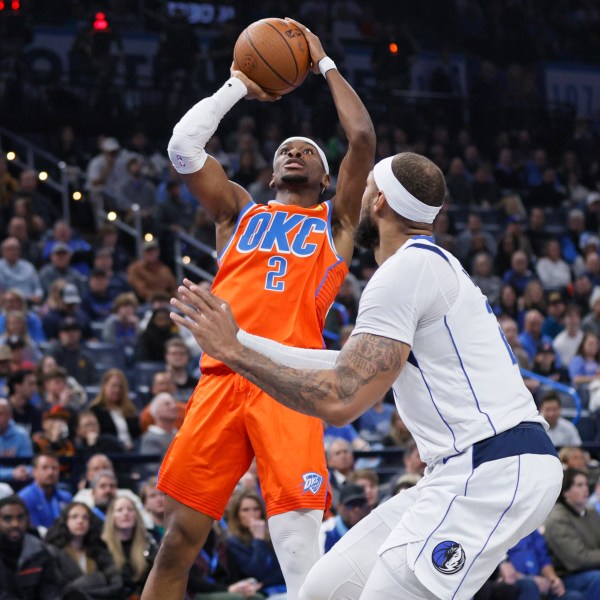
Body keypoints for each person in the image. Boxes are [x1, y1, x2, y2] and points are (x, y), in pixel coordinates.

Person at [173, 151, 564, 600]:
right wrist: (239, 341)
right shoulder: (423, 266)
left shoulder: (405, 272)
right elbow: (345, 365)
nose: (354, 198)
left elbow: (341, 399)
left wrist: (236, 355)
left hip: (494, 467)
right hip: (459, 469)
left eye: (365, 191)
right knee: (322, 591)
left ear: (378, 202)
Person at [143, 17, 375, 600]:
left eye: (308, 152)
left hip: (288, 381)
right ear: (272, 172)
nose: (296, 152)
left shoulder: (335, 224)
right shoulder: (238, 214)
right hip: (222, 379)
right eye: (286, 149)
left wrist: (322, 62)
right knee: (177, 544)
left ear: (325, 178)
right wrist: (240, 85)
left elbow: (364, 141)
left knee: (299, 551)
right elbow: (181, 147)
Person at [45, 501, 125, 599]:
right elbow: (62, 589)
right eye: (74, 517)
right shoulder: (53, 552)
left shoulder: (98, 550)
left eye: (85, 518)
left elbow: (116, 584)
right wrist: (99, 579)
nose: (80, 521)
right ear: (65, 521)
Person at [544, 468, 600, 598]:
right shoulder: (557, 519)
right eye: (579, 485)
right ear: (566, 491)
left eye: (586, 484)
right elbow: (578, 559)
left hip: (593, 569)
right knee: (597, 579)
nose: (585, 489)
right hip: (567, 576)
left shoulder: (591, 513)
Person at [224, 489, 286, 597]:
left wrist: (263, 583)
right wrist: (258, 539)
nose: (252, 514)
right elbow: (256, 572)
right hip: (258, 594)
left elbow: (283, 571)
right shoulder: (233, 542)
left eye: (256, 509)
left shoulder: (272, 534)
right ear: (237, 515)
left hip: (280, 588)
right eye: (245, 510)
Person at [0, 494, 61, 599]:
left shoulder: (39, 550)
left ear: (27, 519)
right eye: (7, 519)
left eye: (20, 518)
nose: (15, 524)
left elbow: (50, 590)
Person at [103, 495, 158, 598]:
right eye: (120, 510)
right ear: (112, 517)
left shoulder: (149, 541)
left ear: (136, 515)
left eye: (130, 509)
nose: (126, 513)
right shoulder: (102, 546)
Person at [507, 529, 582, 600]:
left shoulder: (532, 530)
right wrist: (532, 579)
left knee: (574, 597)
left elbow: (544, 559)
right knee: (529, 585)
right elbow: (503, 569)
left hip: (541, 580)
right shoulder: (503, 533)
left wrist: (553, 578)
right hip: (515, 581)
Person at [18, 452, 73, 531]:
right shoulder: (24, 498)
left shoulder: (66, 497)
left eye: (54, 468)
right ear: (34, 472)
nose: (50, 472)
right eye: (45, 468)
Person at [318, 483, 370, 555]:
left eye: (360, 503)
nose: (357, 509)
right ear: (339, 507)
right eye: (351, 504)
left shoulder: (372, 528)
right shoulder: (325, 531)